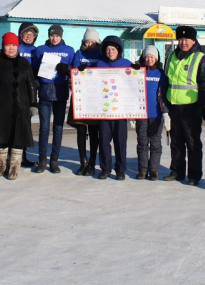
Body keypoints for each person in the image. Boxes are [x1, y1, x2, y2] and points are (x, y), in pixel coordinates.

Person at [0, 32, 39, 180]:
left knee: (18, 136)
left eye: (14, 45)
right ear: (3, 46)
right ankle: (2, 166)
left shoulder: (24, 63)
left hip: (21, 107)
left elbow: (31, 85)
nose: (11, 48)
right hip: (1, 107)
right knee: (2, 136)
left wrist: (33, 103)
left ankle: (14, 167)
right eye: (8, 45)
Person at [160, 26, 205, 186]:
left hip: (191, 108)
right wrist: (166, 103)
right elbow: (166, 80)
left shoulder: (200, 58)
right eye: (180, 40)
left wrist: (201, 106)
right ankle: (177, 171)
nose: (183, 43)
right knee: (176, 141)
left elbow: (204, 84)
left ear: (193, 41)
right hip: (174, 106)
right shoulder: (172, 56)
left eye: (186, 40)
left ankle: (194, 175)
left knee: (192, 142)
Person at [32, 23, 75, 174]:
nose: (54, 38)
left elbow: (74, 71)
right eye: (52, 35)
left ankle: (54, 160)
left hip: (60, 91)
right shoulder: (40, 50)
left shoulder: (69, 51)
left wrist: (67, 69)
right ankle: (42, 159)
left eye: (57, 35)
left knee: (58, 127)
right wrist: (37, 81)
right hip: (45, 91)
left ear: (61, 36)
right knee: (44, 128)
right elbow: (34, 70)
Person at [94, 36, 133, 180]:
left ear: (119, 51)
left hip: (120, 110)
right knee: (104, 140)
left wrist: (136, 71)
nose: (110, 52)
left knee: (120, 141)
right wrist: (82, 72)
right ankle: (105, 168)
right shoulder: (100, 64)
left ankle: (120, 169)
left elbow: (134, 85)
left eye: (113, 49)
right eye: (108, 49)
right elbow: (91, 82)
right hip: (104, 110)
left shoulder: (126, 64)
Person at [69, 27, 103, 176]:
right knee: (81, 129)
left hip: (95, 97)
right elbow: (73, 69)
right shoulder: (79, 53)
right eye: (87, 41)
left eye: (92, 41)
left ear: (97, 42)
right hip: (81, 96)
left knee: (94, 131)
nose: (89, 44)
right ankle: (83, 161)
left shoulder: (101, 54)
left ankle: (92, 163)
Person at [136, 45, 168, 181]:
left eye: (152, 57)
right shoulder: (138, 72)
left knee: (155, 143)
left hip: (156, 114)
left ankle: (154, 170)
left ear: (156, 58)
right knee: (142, 142)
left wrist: (166, 113)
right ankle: (143, 170)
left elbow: (164, 95)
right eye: (147, 57)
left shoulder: (161, 73)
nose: (149, 59)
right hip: (141, 114)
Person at [17, 22, 40, 168]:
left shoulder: (36, 51)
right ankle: (11, 156)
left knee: (25, 126)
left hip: (29, 93)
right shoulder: (16, 48)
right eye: (27, 34)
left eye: (32, 35)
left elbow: (40, 70)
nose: (29, 37)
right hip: (13, 92)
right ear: (21, 35)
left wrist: (36, 83)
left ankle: (23, 156)